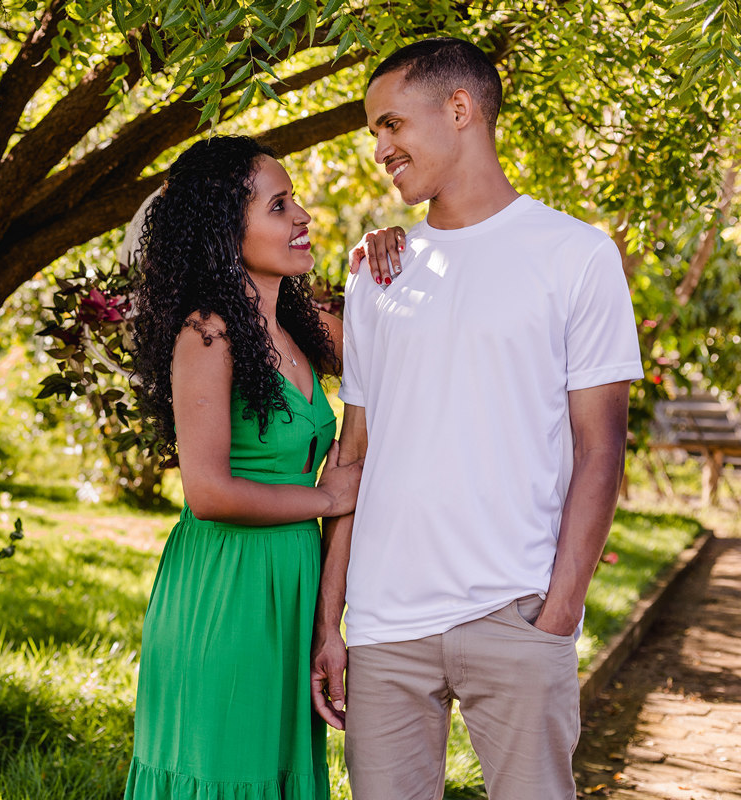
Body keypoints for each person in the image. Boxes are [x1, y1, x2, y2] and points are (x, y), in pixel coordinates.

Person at [310, 37, 643, 800]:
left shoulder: (574, 256)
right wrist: (333, 623)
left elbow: (601, 451)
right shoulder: (377, 274)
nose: (380, 149)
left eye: (391, 125)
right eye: (374, 134)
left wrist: (560, 610)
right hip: (386, 627)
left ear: (459, 109)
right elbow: (353, 454)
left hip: (517, 614)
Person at [123, 135, 364, 799]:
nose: (302, 217)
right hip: (226, 585)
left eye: (295, 202)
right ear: (228, 232)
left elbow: (399, 336)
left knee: (275, 771)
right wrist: (327, 499)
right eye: (279, 206)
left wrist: (391, 249)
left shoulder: (301, 323)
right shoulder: (208, 334)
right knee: (228, 770)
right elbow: (208, 491)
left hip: (291, 580)